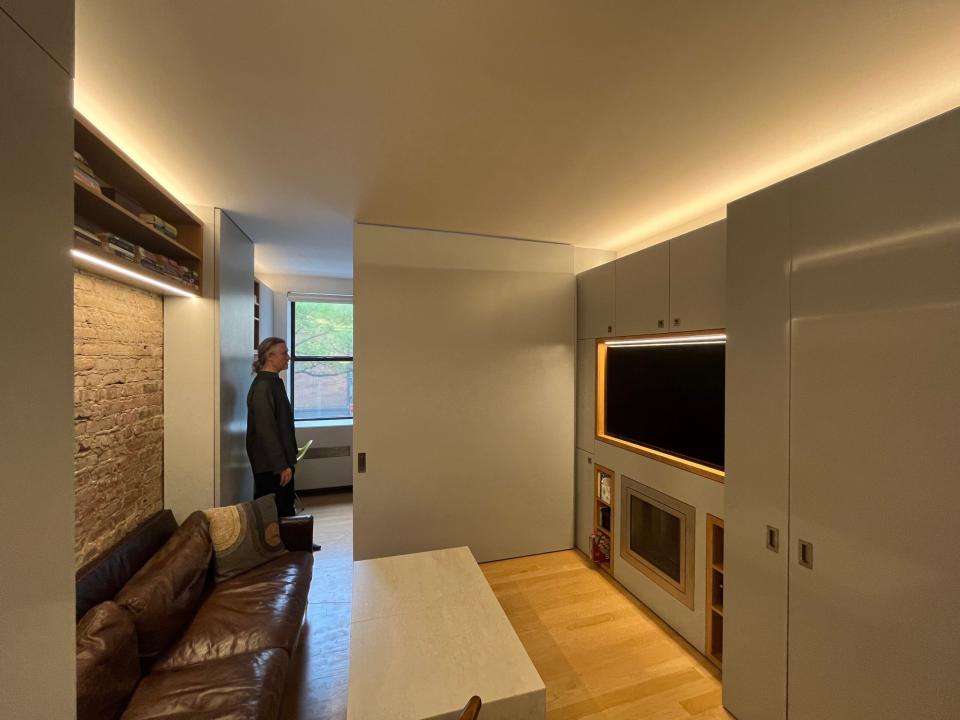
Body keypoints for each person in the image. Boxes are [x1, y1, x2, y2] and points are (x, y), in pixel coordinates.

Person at [246, 337, 321, 551]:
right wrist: (280, 465)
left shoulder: (273, 382)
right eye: (284, 353)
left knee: (285, 506)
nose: (288, 357)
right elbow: (266, 430)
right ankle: (277, 550)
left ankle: (295, 543)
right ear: (269, 357)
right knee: (273, 511)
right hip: (271, 465)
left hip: (280, 462)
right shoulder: (263, 386)